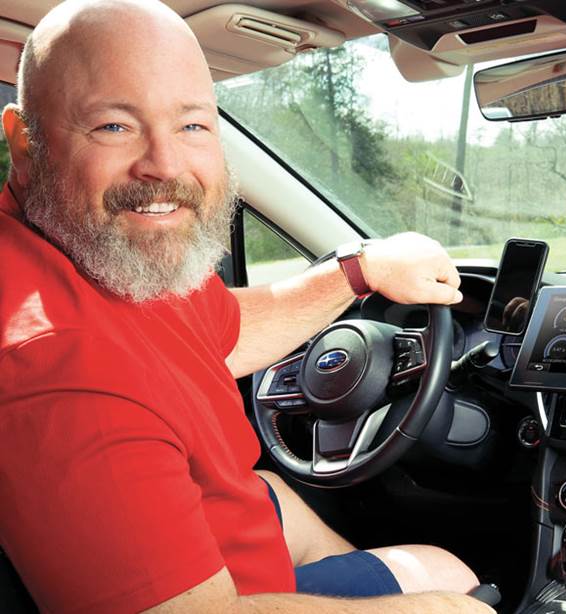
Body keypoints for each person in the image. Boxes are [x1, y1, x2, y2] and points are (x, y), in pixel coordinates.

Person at [0, 1, 492, 612]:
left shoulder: (101, 255)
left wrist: (362, 270)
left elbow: (221, 333)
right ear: (26, 141)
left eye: (192, 125)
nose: (165, 165)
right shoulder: (60, 366)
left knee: (279, 496)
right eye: (113, 125)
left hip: (223, 555)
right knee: (452, 588)